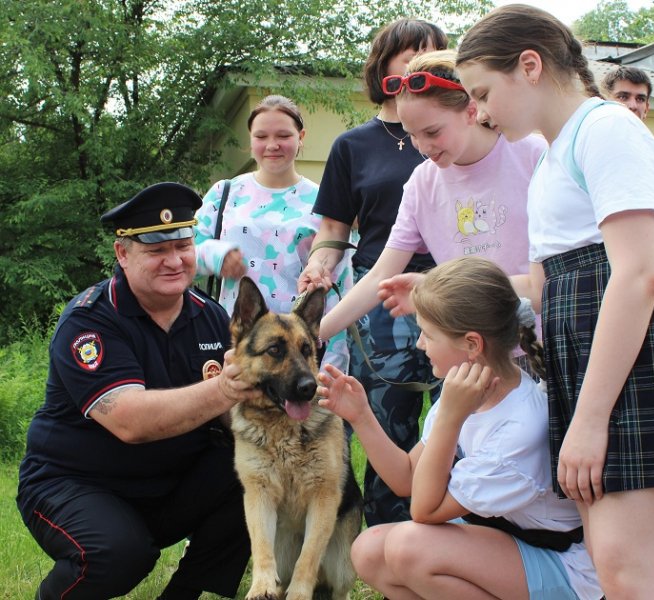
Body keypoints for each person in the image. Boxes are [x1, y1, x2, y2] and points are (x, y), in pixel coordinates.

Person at [456, 5, 654, 599]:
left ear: (530, 66)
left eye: (483, 92)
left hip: (630, 365)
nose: (480, 111)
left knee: (626, 572)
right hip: (594, 366)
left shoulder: (607, 129)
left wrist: (590, 421)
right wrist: (440, 287)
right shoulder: (553, 154)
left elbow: (638, 274)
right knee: (609, 566)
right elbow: (552, 285)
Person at [16, 183, 255, 600]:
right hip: (75, 483)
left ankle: (182, 595)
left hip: (167, 483)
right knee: (118, 553)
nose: (174, 261)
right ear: (122, 254)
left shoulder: (211, 317)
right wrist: (228, 387)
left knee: (252, 469)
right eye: (156, 251)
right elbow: (130, 421)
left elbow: (232, 418)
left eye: (183, 245)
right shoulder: (89, 320)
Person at [317, 256, 602, 600]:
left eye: (428, 334)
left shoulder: (518, 426)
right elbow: (407, 477)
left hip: (564, 570)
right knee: (369, 550)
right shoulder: (469, 392)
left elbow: (424, 510)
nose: (420, 344)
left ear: (471, 344)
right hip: (510, 544)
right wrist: (361, 415)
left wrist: (451, 418)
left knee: (409, 547)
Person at [297, 18, 448, 526]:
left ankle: (460, 531)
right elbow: (334, 230)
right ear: (383, 64)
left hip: (457, 291)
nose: (418, 61)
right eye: (409, 53)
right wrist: (320, 266)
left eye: (431, 53)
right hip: (382, 298)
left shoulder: (463, 130)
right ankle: (390, 538)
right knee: (388, 423)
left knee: (466, 424)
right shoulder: (353, 146)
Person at [317, 49, 546, 350]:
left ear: (471, 110)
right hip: (468, 353)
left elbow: (545, 284)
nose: (423, 147)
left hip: (540, 348)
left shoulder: (532, 155)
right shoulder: (421, 184)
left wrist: (437, 288)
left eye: (432, 132)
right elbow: (381, 276)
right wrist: (312, 332)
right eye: (412, 134)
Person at [194, 94, 352, 372]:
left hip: (299, 356)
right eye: (261, 136)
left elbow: (341, 286)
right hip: (240, 348)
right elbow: (185, 255)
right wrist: (218, 256)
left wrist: (333, 364)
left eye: (283, 135)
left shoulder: (325, 200)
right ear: (250, 139)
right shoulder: (224, 193)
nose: (272, 145)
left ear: (301, 136)